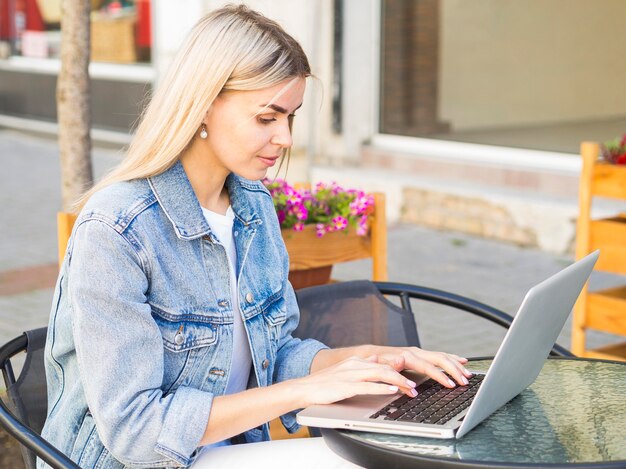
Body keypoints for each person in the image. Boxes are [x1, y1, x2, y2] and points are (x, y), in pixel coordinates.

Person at [39, 5, 472, 468]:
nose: (285, 137)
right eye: (267, 118)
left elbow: (276, 351)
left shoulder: (252, 205)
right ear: (203, 103)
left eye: (291, 117)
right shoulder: (117, 230)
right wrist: (303, 392)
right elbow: (138, 433)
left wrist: (371, 360)